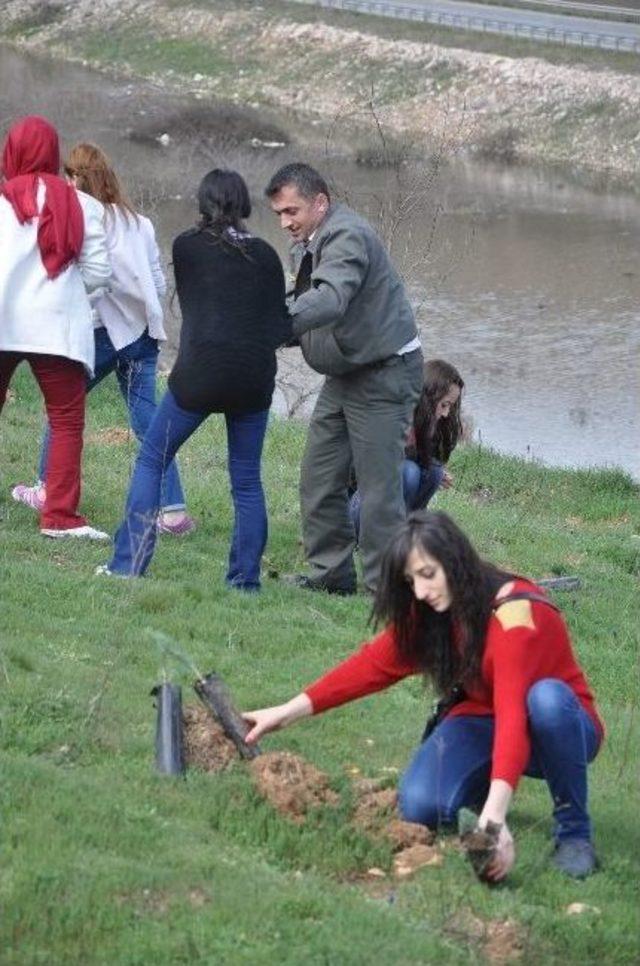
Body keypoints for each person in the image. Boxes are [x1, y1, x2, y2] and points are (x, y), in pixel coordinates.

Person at [243, 511, 604, 880]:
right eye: (410, 580)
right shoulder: (432, 609)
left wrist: (496, 820)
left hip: (560, 729)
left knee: (545, 700)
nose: (419, 591)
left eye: (428, 574)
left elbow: (513, 714)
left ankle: (574, 834)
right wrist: (286, 712)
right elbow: (371, 666)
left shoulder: (514, 614)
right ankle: (479, 792)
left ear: (455, 561)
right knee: (418, 804)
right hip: (484, 717)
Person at [101, 169, 289, 589]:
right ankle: (245, 583)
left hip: (200, 374)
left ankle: (127, 567)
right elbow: (279, 327)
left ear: (202, 204)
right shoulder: (268, 256)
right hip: (254, 379)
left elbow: (199, 303)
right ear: (244, 205)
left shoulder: (186, 246)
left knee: (153, 459)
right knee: (245, 478)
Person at [10, 142, 195, 536]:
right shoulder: (139, 222)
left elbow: (91, 280)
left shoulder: (79, 214)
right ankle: (173, 512)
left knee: (63, 408)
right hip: (145, 333)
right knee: (148, 420)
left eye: (68, 174)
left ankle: (47, 489)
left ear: (76, 178)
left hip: (106, 332)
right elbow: (158, 283)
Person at [266, 163, 423, 595]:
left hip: (384, 374)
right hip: (347, 372)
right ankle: (330, 576)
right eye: (278, 213)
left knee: (378, 492)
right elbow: (305, 300)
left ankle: (384, 591)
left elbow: (331, 298)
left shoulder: (347, 235)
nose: (285, 222)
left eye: (291, 211)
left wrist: (273, 323)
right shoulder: (311, 239)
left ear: (321, 202)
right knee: (319, 477)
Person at [0, 116, 111, 539]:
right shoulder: (84, 205)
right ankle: (60, 517)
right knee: (66, 420)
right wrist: (65, 296)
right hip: (55, 327)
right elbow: (100, 273)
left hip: (3, 319)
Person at [349, 359, 464, 537]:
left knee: (434, 472)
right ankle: (378, 538)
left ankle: (407, 536)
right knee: (409, 472)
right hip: (353, 509)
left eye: (450, 406)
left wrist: (433, 468)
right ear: (429, 395)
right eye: (444, 405)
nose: (446, 413)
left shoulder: (424, 422)